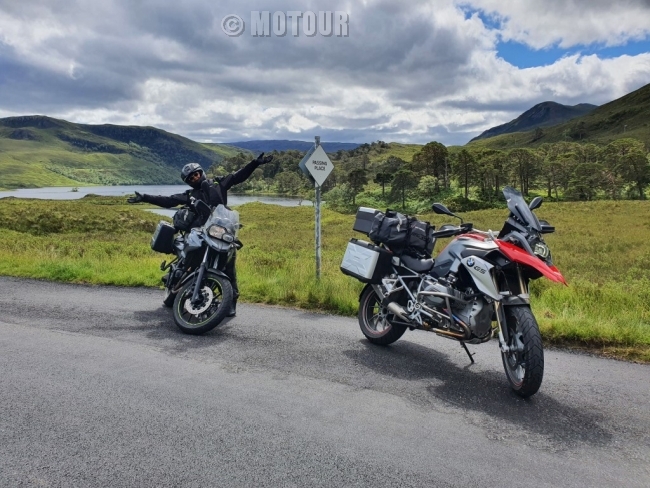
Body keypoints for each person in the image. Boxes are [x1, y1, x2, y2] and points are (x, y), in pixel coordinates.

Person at [127, 152, 274, 316]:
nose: (195, 178)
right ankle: (180, 279)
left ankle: (231, 301)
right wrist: (145, 197)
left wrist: (255, 163)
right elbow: (168, 200)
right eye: (190, 178)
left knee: (229, 267)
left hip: (220, 230)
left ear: (201, 172)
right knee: (191, 259)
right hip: (200, 232)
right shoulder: (189, 195)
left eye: (196, 174)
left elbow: (238, 176)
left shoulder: (218, 183)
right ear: (188, 182)